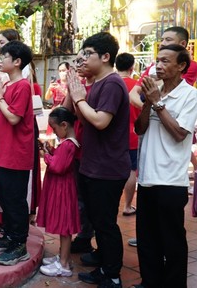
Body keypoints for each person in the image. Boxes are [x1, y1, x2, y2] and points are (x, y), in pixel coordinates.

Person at [66, 32, 130, 288]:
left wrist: (79, 96)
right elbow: (83, 119)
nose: (82, 58)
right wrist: (76, 93)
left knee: (106, 224)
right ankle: (102, 264)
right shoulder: (97, 83)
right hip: (93, 164)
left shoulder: (113, 83)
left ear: (105, 57)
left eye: (87, 54)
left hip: (108, 167)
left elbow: (101, 121)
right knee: (98, 220)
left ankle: (112, 274)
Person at [135, 44, 197, 287]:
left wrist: (158, 103)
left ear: (181, 66)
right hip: (147, 177)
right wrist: (149, 103)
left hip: (171, 180)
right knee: (147, 239)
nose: (158, 65)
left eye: (165, 61)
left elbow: (180, 133)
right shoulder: (156, 90)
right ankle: (150, 282)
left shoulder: (190, 95)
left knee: (171, 241)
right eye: (157, 61)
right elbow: (140, 129)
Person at [0, 40, 34, 266]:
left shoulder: (23, 86)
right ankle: (10, 237)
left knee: (15, 200)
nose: (0, 60)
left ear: (17, 61)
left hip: (16, 154)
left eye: (4, 57)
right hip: (2, 151)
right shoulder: (6, 84)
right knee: (5, 197)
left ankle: (20, 244)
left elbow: (14, 117)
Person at [38, 107, 81, 278]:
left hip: (63, 190)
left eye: (54, 128)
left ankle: (63, 265)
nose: (54, 132)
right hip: (63, 188)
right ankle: (63, 257)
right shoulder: (67, 144)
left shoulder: (69, 144)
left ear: (64, 125)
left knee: (64, 227)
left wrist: (45, 156)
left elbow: (58, 166)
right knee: (64, 228)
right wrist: (51, 151)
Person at [66, 50, 96, 254]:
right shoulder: (79, 86)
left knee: (90, 199)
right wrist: (71, 89)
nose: (79, 64)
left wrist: (78, 98)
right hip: (76, 149)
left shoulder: (101, 86)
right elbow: (64, 111)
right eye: (76, 61)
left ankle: (87, 236)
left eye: (82, 60)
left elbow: (86, 118)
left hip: (91, 151)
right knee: (79, 196)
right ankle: (83, 235)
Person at [129, 26, 197, 108]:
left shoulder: (190, 65)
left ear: (182, 44)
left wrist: (156, 105)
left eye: (168, 40)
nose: (162, 43)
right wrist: (150, 110)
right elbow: (133, 94)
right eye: (162, 40)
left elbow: (172, 88)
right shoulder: (154, 66)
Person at [115, 53, 141, 216]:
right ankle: (127, 205)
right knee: (132, 170)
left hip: (114, 134)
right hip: (133, 134)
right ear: (132, 68)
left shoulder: (110, 83)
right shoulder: (137, 85)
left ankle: (112, 204)